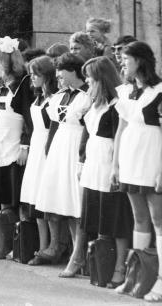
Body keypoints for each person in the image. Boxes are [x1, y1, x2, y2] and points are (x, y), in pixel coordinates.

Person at [112, 41, 162, 301]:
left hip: (152, 159)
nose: (121, 63)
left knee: (159, 218)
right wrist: (115, 165)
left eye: (126, 59)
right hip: (130, 160)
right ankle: (139, 273)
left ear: (139, 61)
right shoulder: (125, 91)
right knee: (139, 218)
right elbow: (121, 129)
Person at [36, 53, 92, 278]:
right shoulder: (60, 95)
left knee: (75, 202)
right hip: (59, 147)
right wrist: (49, 150)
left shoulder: (87, 95)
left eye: (62, 70)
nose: (58, 75)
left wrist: (83, 155)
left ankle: (79, 254)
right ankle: (70, 252)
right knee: (63, 201)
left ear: (73, 71)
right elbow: (54, 125)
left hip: (76, 146)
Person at [78, 56, 132, 288]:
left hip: (109, 164)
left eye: (90, 77)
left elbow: (121, 138)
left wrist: (117, 168)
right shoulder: (95, 104)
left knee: (116, 219)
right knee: (98, 218)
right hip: (93, 165)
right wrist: (82, 163)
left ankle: (120, 268)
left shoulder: (117, 105)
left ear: (102, 79)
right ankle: (101, 265)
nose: (87, 82)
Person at [0, 37, 34, 218]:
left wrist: (25, 146)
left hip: (14, 139)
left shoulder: (25, 81)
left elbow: (28, 117)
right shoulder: (1, 80)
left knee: (12, 189)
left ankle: (16, 230)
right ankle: (0, 229)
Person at [19, 55, 58, 264]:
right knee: (34, 198)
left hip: (47, 149)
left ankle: (53, 246)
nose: (32, 77)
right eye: (31, 74)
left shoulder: (54, 99)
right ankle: (42, 247)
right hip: (35, 147)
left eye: (36, 74)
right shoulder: (38, 97)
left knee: (46, 199)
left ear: (47, 75)